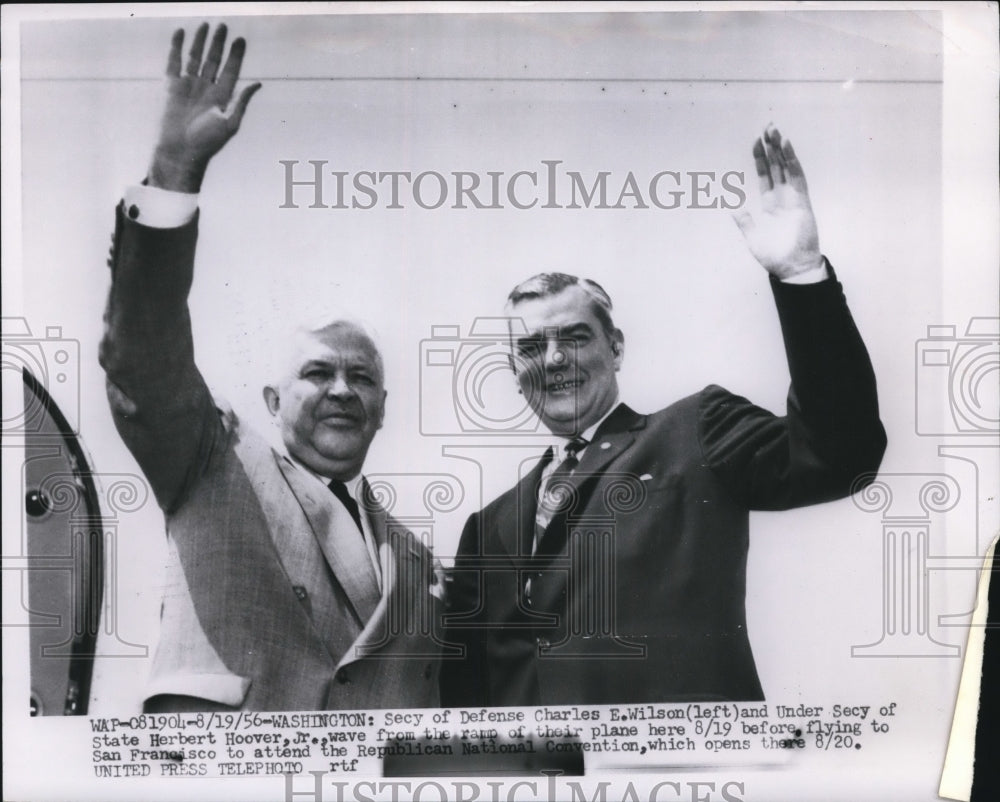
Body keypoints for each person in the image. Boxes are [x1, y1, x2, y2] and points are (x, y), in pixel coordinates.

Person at [440, 125, 887, 706]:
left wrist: (800, 275)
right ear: (512, 367)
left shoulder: (695, 431)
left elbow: (839, 455)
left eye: (574, 337)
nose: (552, 360)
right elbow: (469, 695)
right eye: (530, 347)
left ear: (616, 347)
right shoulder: (489, 525)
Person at [100, 24, 442, 712]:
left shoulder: (418, 562)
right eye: (318, 374)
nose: (343, 390)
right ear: (271, 399)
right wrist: (174, 174)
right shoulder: (209, 460)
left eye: (362, 378)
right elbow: (144, 357)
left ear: (384, 407)